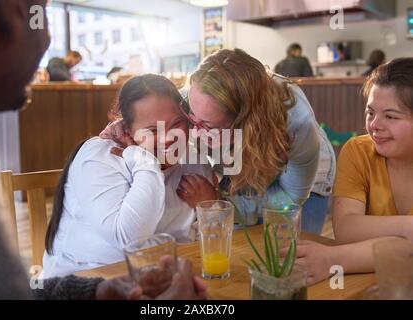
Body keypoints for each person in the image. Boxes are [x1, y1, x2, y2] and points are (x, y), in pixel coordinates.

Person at [0, 0, 206, 299]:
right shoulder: (106, 156)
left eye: (178, 123)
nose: (47, 37)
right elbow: (128, 237)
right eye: (41, 12)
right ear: (12, 12)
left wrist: (95, 291)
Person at [42, 74, 214, 278]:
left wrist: (211, 203)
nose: (169, 138)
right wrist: (142, 159)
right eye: (152, 130)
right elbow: (130, 239)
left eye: (177, 124)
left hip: (162, 278)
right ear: (127, 129)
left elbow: (207, 237)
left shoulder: (193, 157)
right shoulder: (100, 158)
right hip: (85, 282)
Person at [182, 48, 334, 234]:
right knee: (237, 249)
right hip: (246, 162)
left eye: (208, 126)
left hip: (304, 177)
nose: (195, 135)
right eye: (191, 118)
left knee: (289, 251)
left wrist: (216, 201)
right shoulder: (194, 95)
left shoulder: (297, 124)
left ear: (244, 122)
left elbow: (291, 198)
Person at [289, 58, 413, 285]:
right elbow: (346, 228)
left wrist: (332, 259)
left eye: (391, 116)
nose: (375, 124)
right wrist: (408, 227)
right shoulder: (358, 151)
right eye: (370, 113)